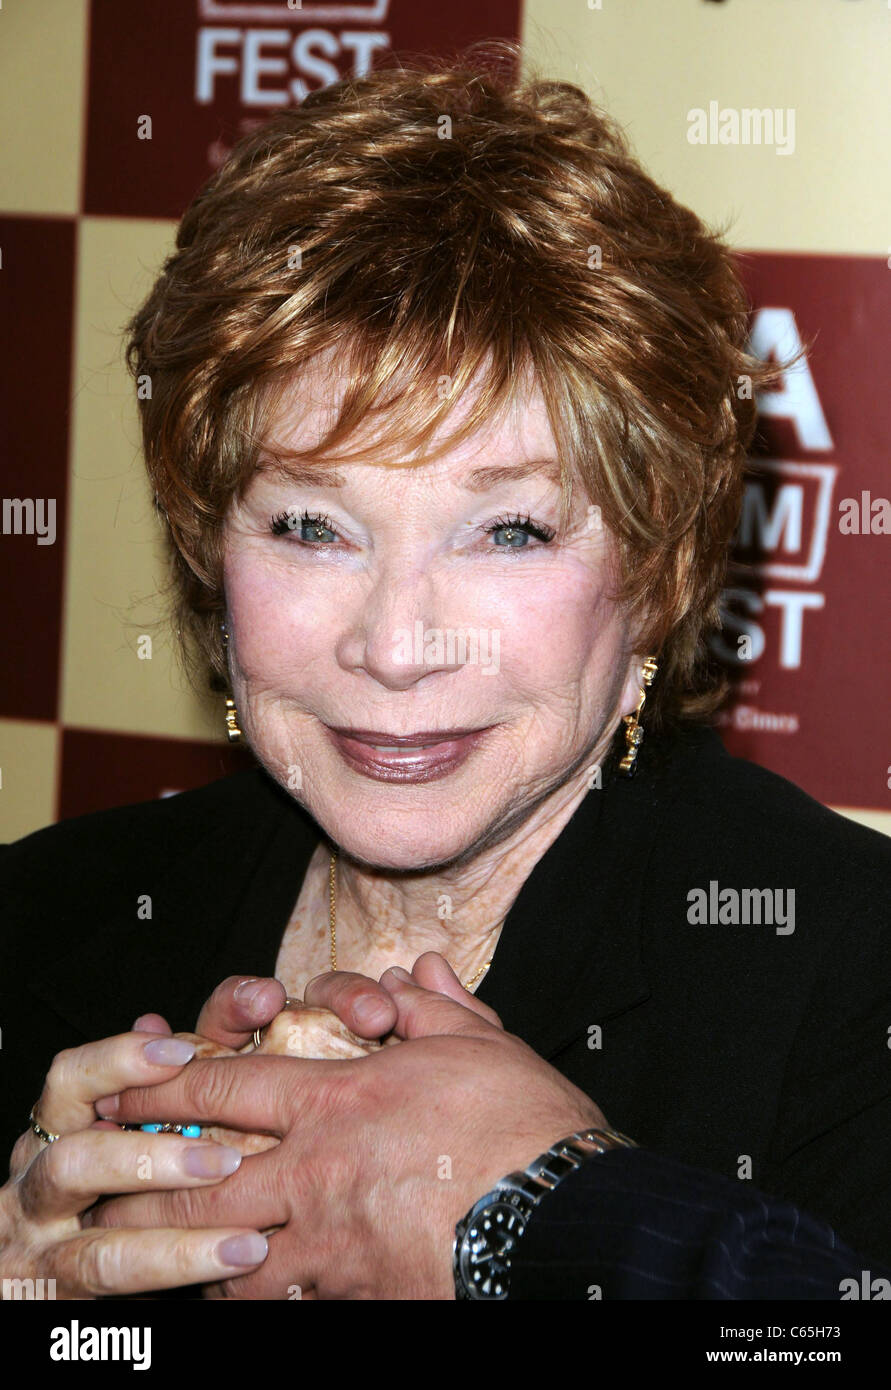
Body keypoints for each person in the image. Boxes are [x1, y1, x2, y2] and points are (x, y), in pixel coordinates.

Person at [1, 50, 889, 1300]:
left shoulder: (849, 982)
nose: (397, 645)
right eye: (312, 527)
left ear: (661, 565)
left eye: (508, 530)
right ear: (210, 545)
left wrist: (541, 1216)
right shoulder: (42, 916)